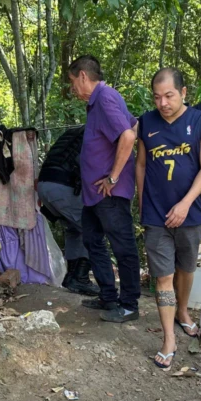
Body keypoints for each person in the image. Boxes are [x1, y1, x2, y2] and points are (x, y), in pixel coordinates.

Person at [135, 67, 201, 368]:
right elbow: (141, 165)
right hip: (156, 215)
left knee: (186, 267)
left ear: (183, 93)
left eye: (169, 96)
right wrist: (143, 204)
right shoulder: (146, 123)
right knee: (163, 277)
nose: (163, 103)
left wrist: (184, 204)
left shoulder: (200, 121)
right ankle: (169, 337)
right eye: (157, 97)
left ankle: (183, 310)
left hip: (190, 212)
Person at [67, 55, 141, 323]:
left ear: (84, 76)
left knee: (122, 246)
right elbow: (134, 123)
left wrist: (113, 177)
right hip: (94, 195)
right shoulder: (101, 101)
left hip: (109, 192)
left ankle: (130, 304)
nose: (73, 89)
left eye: (73, 82)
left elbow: (129, 135)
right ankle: (108, 296)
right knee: (92, 241)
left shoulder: (106, 97)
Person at [37, 125, 100, 296]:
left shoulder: (74, 132)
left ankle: (71, 276)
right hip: (62, 186)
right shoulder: (97, 133)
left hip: (44, 185)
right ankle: (80, 278)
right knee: (92, 226)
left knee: (75, 229)